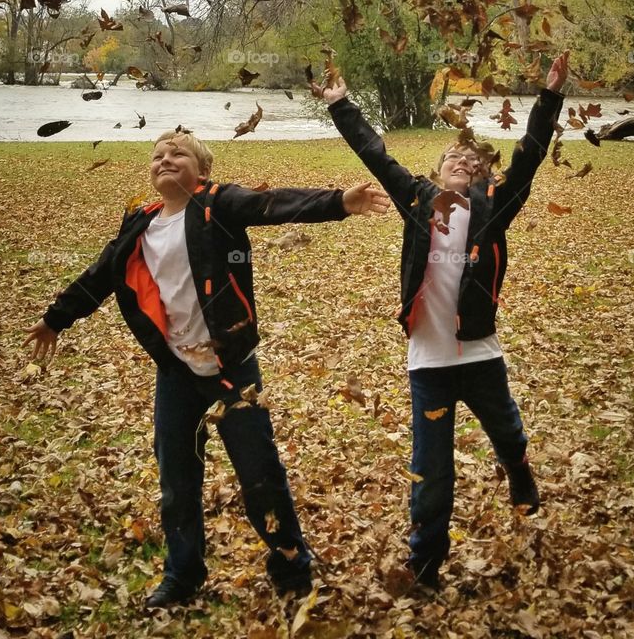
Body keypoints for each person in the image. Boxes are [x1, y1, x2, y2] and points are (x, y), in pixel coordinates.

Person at [25, 128, 388, 609]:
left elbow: (272, 204)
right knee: (178, 480)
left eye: (178, 153)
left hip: (231, 370)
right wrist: (56, 318)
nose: (165, 159)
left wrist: (339, 201)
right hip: (176, 373)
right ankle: (183, 574)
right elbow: (101, 276)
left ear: (202, 171)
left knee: (260, 474)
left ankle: (291, 564)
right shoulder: (140, 223)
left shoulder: (218, 204)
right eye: (157, 156)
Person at [310, 52, 569, 591]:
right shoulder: (419, 200)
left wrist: (549, 99)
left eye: (476, 166)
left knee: (508, 434)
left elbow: (528, 159)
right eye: (455, 161)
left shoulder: (494, 207)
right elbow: (376, 156)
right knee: (431, 471)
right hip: (428, 361)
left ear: (485, 178)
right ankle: (425, 565)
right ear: (438, 169)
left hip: (479, 354)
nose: (465, 167)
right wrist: (340, 105)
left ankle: (521, 477)